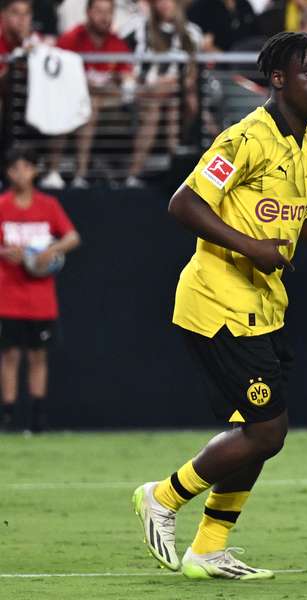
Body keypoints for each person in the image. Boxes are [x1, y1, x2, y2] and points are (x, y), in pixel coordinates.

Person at [132, 32, 307, 580]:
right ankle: (163, 497)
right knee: (267, 431)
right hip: (218, 302)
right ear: (278, 79)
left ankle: (209, 549)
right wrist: (251, 246)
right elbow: (185, 202)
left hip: (263, 307)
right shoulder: (246, 138)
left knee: (256, 435)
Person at [0, 147, 81, 432]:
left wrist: (51, 250)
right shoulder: (2, 206)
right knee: (9, 356)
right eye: (14, 168)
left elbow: (72, 236)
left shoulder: (48, 206)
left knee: (38, 356)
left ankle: (37, 419)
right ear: (8, 173)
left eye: (25, 167)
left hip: (40, 299)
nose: (19, 173)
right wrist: (5, 252)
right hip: (7, 297)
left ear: (35, 170)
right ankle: (8, 417)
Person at [42, 0, 134, 189]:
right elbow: (56, 75)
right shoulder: (71, 39)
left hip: (106, 105)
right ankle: (53, 171)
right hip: (70, 100)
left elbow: (127, 79)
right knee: (71, 109)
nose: (104, 17)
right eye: (99, 11)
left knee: (92, 105)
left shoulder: (117, 44)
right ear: (88, 13)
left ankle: (80, 176)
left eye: (108, 12)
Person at [123, 0, 203, 187]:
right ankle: (135, 173)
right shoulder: (140, 29)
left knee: (176, 102)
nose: (165, 4)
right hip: (146, 90)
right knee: (158, 104)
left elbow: (192, 74)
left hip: (178, 92)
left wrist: (174, 83)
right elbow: (133, 70)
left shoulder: (192, 33)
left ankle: (173, 168)